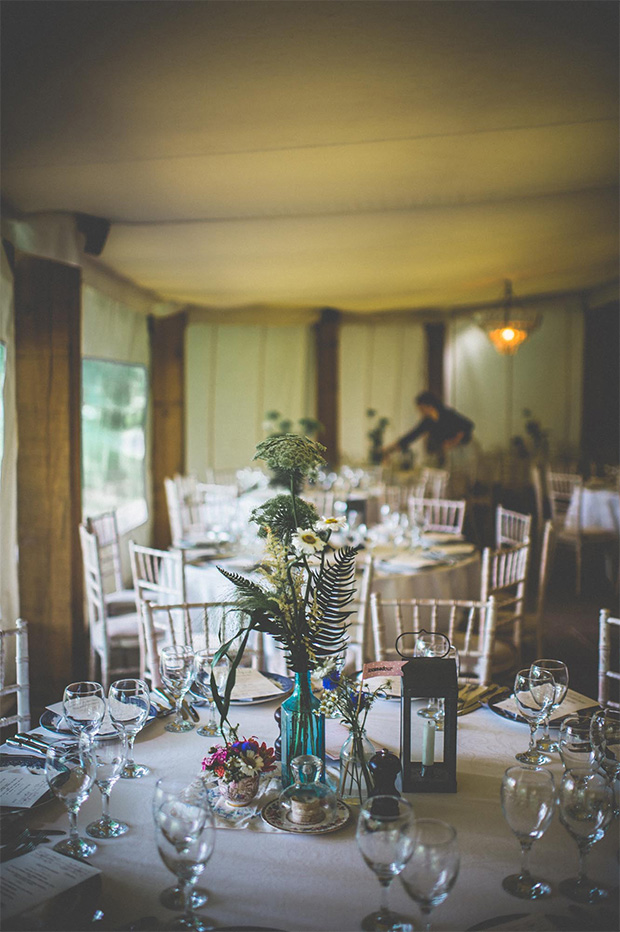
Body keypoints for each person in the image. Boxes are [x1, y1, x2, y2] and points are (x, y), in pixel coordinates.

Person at [381, 391, 474, 467]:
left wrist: (453, 441)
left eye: (421, 408)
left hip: (464, 450)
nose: (419, 411)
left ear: (429, 406)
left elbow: (468, 425)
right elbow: (412, 435)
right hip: (449, 452)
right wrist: (389, 448)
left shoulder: (447, 414)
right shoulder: (428, 422)